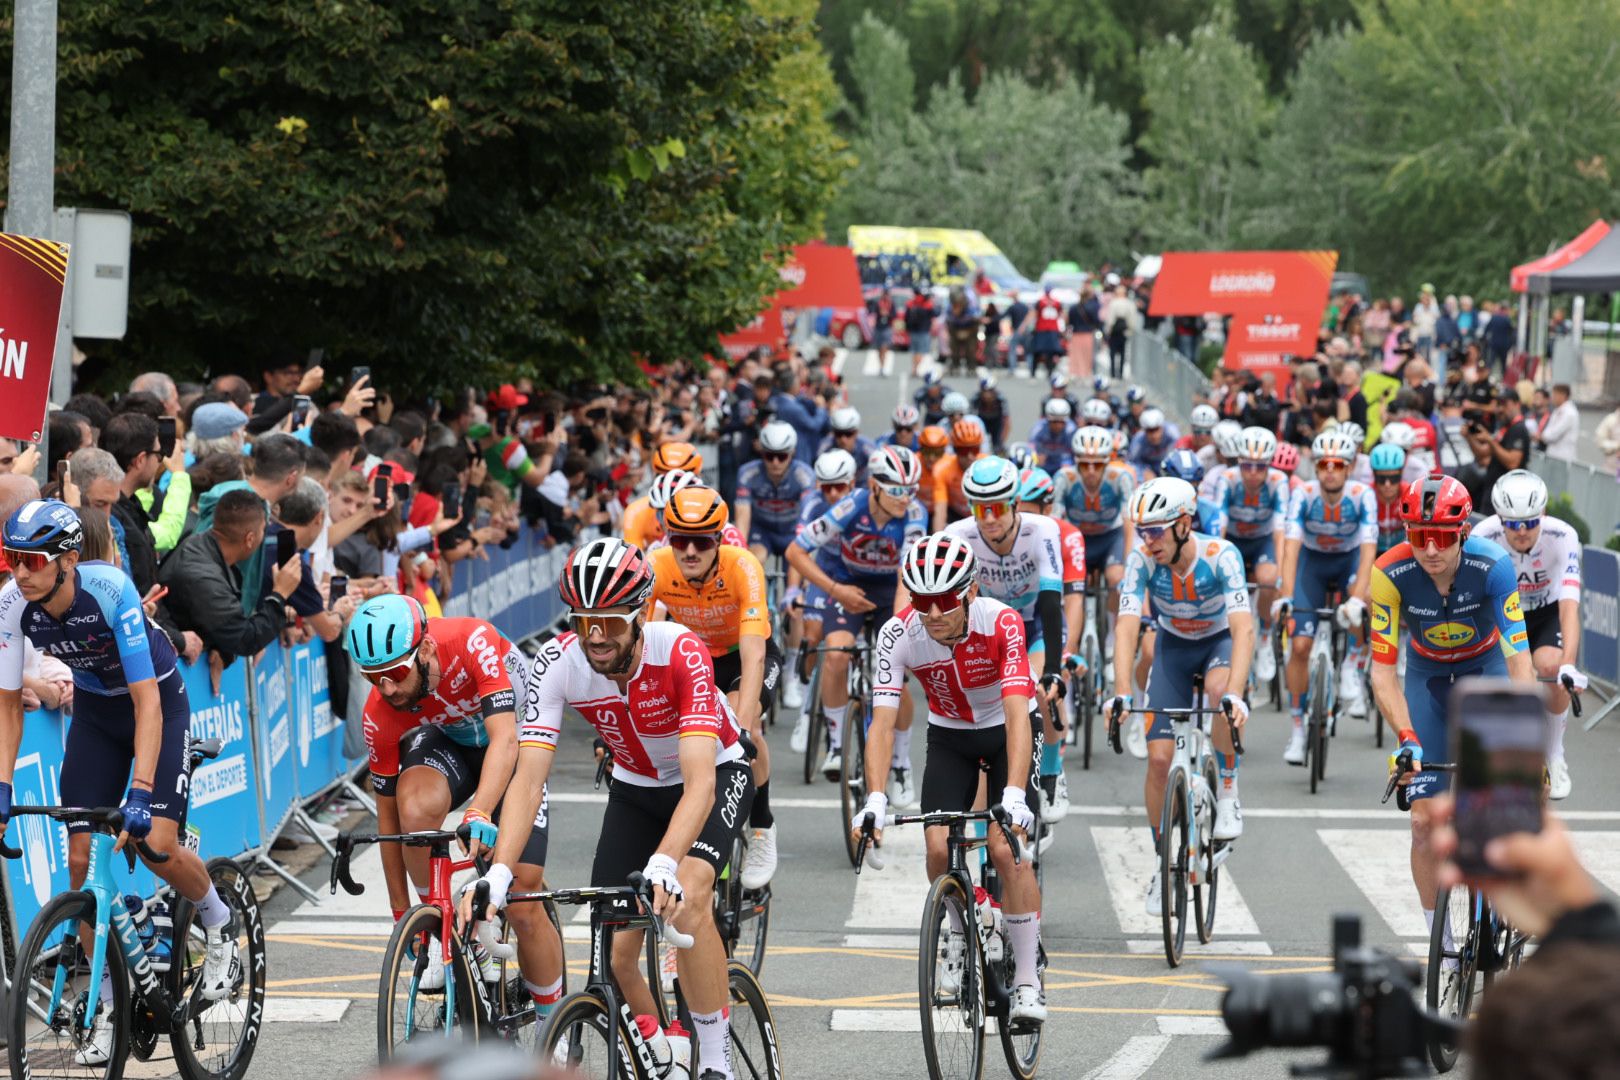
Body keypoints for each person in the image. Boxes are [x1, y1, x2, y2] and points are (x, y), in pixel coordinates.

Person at [463, 537, 753, 1080]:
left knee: (688, 899)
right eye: (583, 620)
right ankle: (665, 1052)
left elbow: (698, 786)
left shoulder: (680, 650)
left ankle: (717, 1061)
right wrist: (500, 873)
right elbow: (528, 780)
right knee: (615, 950)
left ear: (641, 613)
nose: (595, 635)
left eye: (611, 621)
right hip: (636, 787)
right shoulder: (559, 662)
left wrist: (666, 862)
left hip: (714, 773)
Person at [0, 501, 241, 1063]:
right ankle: (109, 1007)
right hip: (94, 717)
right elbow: (9, 706)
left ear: (68, 560)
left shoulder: (109, 591)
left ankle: (219, 921)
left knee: (157, 843)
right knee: (81, 866)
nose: (21, 571)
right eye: (12, 558)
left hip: (156, 706)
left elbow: (148, 701)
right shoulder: (12, 605)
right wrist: (3, 784)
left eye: (33, 559)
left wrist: (139, 789)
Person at [855, 533, 1047, 1023]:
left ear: (970, 591)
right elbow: (882, 721)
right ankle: (958, 930)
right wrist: (874, 796)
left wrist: (1014, 795)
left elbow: (1017, 713)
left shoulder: (1001, 622)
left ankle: (1027, 977)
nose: (932, 612)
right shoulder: (898, 635)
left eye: (944, 600)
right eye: (921, 600)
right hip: (950, 736)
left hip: (1008, 729)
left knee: (1006, 849)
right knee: (938, 846)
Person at [347, 595, 563, 1013]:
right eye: (374, 679)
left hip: (515, 741)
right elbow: (389, 821)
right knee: (413, 808)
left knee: (523, 893)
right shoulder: (379, 712)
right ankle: (442, 919)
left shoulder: (472, 640)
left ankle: (551, 1023)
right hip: (456, 744)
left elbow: (504, 738)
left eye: (393, 673)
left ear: (425, 650)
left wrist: (480, 810)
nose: (387, 689)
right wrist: (404, 916)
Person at [1368, 475, 1532, 942]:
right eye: (1420, 536)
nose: (1431, 549)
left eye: (1442, 536)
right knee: (1422, 821)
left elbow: (1519, 657)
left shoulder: (1494, 565)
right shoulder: (1388, 573)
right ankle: (1439, 941)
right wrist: (1406, 738)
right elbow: (1382, 673)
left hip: (1487, 669)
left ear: (1462, 533)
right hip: (1428, 676)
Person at [1105, 477, 1254, 911]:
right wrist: (1119, 692)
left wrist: (1238, 694)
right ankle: (1161, 863)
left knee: (1218, 694)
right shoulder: (1142, 560)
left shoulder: (1221, 556)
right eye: (1141, 531)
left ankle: (1227, 789)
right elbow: (1127, 625)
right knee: (1156, 760)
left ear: (1184, 524)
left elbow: (1244, 628)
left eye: (1154, 531)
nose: (1146, 541)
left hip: (1218, 643)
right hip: (1173, 648)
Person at [648, 487, 780, 888]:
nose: (689, 551)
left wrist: (740, 729)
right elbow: (646, 638)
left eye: (702, 541)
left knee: (748, 725)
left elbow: (755, 655)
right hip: (696, 659)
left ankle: (762, 824)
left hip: (744, 655)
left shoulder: (743, 567)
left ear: (720, 539)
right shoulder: (656, 565)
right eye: (679, 540)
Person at [786, 446, 926, 797]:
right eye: (896, 489)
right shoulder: (851, 505)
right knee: (835, 655)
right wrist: (836, 589)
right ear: (874, 486)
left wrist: (896, 631)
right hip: (846, 585)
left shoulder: (914, 514)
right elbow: (795, 552)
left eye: (911, 489)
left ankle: (900, 764)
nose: (904, 498)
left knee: (896, 677)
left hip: (888, 593)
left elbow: (906, 580)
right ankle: (835, 744)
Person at [944, 457, 1067, 819]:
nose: (989, 518)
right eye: (980, 509)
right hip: (990, 628)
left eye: (997, 508)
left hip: (1035, 625)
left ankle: (1052, 771)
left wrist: (1055, 669)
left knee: (1036, 688)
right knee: (984, 712)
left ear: (1014, 504)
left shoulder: (1042, 529)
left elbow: (1050, 601)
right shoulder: (958, 535)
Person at [1471, 471, 1584, 799]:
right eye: (1513, 523)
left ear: (1543, 515)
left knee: (1551, 666)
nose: (1522, 531)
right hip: (1503, 613)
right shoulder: (1483, 535)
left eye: (1530, 522)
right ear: (1499, 518)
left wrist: (1570, 665)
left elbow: (1569, 607)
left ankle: (1554, 753)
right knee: (1504, 678)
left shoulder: (1563, 536)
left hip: (1547, 611)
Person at [1277, 430, 1378, 764]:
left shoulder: (1363, 495)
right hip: (1312, 562)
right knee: (1301, 646)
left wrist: (1359, 600)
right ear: (1316, 467)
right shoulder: (1303, 494)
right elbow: (1290, 550)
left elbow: (1368, 553)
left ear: (1349, 468)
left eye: (1338, 464)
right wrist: (1287, 595)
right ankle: (1296, 729)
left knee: (1363, 598)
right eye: (1323, 464)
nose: (1330, 470)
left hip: (1349, 559)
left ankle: (1352, 662)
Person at [159, 487, 304, 667]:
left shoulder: (204, 547)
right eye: (263, 530)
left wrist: (223, 652)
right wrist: (279, 594)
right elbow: (245, 638)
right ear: (250, 539)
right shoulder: (203, 576)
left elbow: (225, 625)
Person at [1213, 427, 1288, 684]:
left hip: (1262, 541)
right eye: (1246, 466)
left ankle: (1265, 635)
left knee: (1268, 579)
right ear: (1238, 462)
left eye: (1260, 466)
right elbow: (1218, 529)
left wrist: (1280, 574)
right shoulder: (1228, 479)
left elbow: (1280, 533)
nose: (1253, 473)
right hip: (1233, 540)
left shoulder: (1279, 482)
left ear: (1269, 465)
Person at [733, 421, 815, 570]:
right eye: (769, 456)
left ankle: (793, 593)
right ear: (762, 453)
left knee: (797, 568)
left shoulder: (804, 476)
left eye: (782, 456)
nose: (775, 462)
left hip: (792, 531)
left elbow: (807, 516)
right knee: (751, 562)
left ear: (792, 454)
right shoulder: (747, 474)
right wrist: (740, 552)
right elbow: (742, 516)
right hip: (762, 531)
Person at [622, 442, 703, 551]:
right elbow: (633, 562)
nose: (672, 485)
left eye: (681, 476)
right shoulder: (635, 512)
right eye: (666, 475)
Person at [930, 419, 984, 529]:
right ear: (955, 450)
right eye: (964, 450)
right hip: (955, 515)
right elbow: (940, 511)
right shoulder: (942, 469)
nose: (969, 456)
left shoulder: (988, 466)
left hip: (981, 514)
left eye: (974, 450)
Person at [1368, 444, 1408, 555]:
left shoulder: (1410, 494)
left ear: (1401, 474)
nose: (1387, 484)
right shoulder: (1366, 495)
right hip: (1373, 551)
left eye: (1394, 478)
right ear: (1374, 475)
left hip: (1402, 551)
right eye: (1381, 479)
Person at [816, 406, 877, 479]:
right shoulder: (824, 447)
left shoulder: (867, 447)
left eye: (848, 434)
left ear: (857, 433)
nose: (843, 439)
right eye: (838, 434)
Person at [1027, 399, 1077, 474]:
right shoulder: (1038, 429)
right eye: (1054, 422)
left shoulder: (1071, 430)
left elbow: (1077, 454)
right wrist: (1035, 458)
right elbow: (1030, 449)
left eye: (1061, 422)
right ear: (1048, 419)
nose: (1058, 426)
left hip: (1063, 464)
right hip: (1044, 465)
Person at [1534, 383, 1580, 462]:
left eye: (1555, 395)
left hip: (1563, 457)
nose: (1552, 398)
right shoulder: (1557, 411)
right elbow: (1548, 431)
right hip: (1553, 456)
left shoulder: (1569, 413)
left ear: (1563, 395)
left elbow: (1553, 434)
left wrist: (1541, 436)